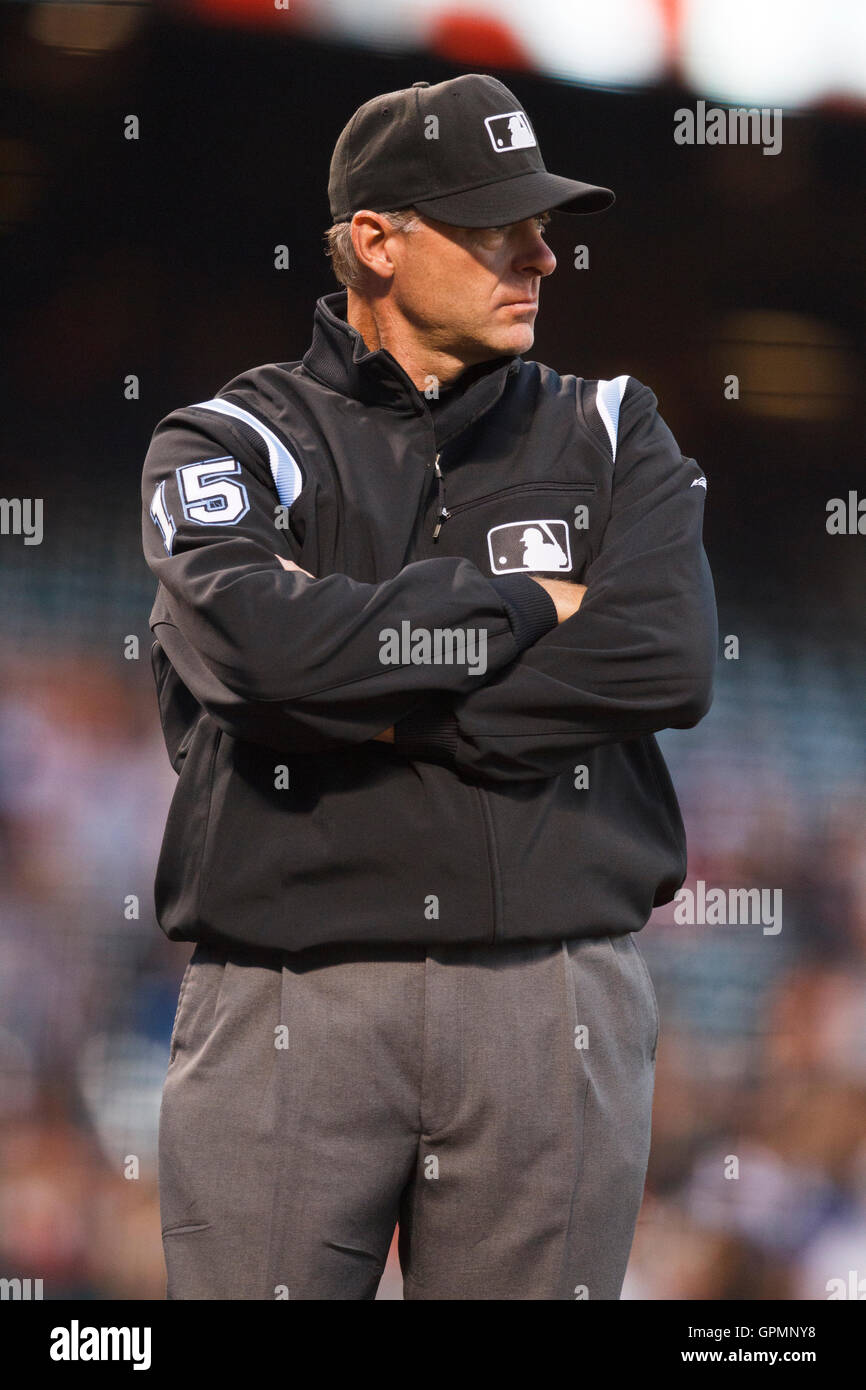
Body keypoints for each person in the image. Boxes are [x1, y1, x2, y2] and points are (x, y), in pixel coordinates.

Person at [141, 72, 717, 1301]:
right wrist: (514, 610)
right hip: (289, 996)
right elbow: (260, 654)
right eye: (493, 224)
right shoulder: (228, 440)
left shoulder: (614, 426)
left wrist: (365, 705)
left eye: (542, 223)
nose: (539, 255)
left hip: (550, 993)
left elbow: (662, 657)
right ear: (375, 243)